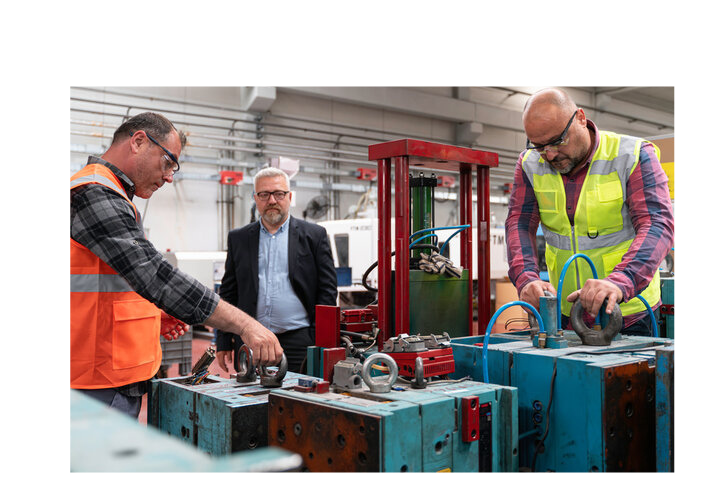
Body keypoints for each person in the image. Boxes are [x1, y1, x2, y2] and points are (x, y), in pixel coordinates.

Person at [70, 112, 283, 418]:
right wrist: (245, 325)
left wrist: (152, 314)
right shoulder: (94, 192)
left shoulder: (113, 194)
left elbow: (110, 282)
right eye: (168, 161)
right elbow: (154, 274)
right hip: (94, 383)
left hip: (109, 374)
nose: (170, 176)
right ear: (139, 142)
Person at [505, 88, 674, 336]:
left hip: (629, 313)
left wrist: (620, 281)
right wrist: (526, 278)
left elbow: (658, 224)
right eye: (539, 146)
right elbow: (519, 224)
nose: (549, 154)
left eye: (557, 141)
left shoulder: (632, 155)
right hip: (564, 313)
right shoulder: (530, 163)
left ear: (581, 119)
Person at [216, 167, 337, 374]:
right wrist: (224, 340)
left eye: (278, 193)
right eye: (264, 194)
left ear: (289, 196)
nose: (271, 200)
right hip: (251, 339)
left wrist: (317, 337)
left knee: (301, 401)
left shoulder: (314, 236)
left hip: (300, 340)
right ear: (255, 198)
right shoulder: (239, 238)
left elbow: (327, 290)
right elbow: (228, 293)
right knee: (251, 402)